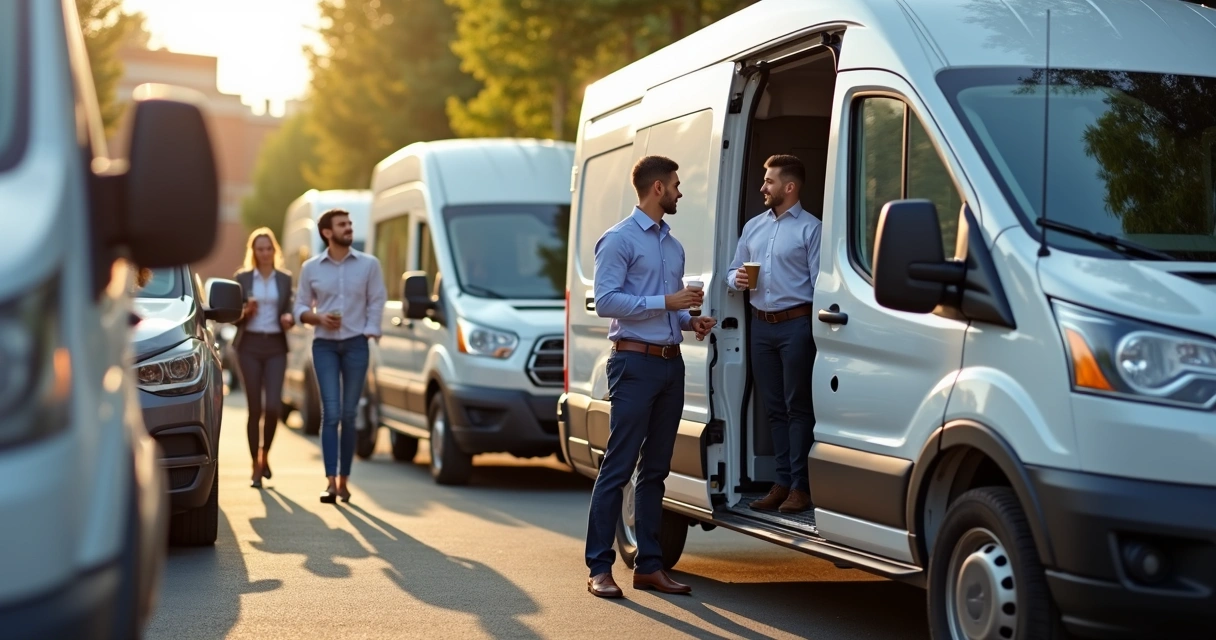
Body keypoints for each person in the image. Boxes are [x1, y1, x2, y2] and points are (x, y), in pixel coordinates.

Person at [585, 155, 717, 599]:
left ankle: (649, 567)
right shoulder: (619, 239)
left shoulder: (673, 246)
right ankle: (600, 568)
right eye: (676, 185)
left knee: (656, 469)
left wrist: (688, 321)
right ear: (657, 188)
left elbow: (666, 308)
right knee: (618, 466)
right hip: (634, 364)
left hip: (669, 362)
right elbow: (606, 301)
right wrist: (668, 300)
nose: (680, 192)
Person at [726, 154, 822, 514]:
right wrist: (734, 278)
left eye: (769, 181)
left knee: (799, 408)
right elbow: (732, 270)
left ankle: (801, 487)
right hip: (759, 326)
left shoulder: (812, 229)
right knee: (774, 409)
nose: (763, 187)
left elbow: (818, 286)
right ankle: (781, 483)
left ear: (789, 187)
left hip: (797, 325)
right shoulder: (753, 227)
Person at [293, 209, 387, 504]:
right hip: (325, 347)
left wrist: (370, 329)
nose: (349, 228)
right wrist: (318, 318)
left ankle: (345, 480)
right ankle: (331, 481)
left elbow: (377, 298)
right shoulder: (311, 268)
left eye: (349, 224)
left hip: (357, 344)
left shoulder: (369, 265)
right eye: (342, 225)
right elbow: (298, 308)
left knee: (349, 414)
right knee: (331, 413)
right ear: (327, 233)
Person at [232, 228, 295, 489]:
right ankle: (255, 465)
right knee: (254, 408)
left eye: (269, 248)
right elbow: (232, 316)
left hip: (276, 346)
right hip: (249, 346)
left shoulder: (284, 278)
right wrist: (246, 311)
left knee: (273, 408)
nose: (265, 253)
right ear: (254, 252)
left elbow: (290, 308)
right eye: (260, 249)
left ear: (274, 250)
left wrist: (288, 318)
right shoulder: (243, 278)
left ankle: (264, 455)